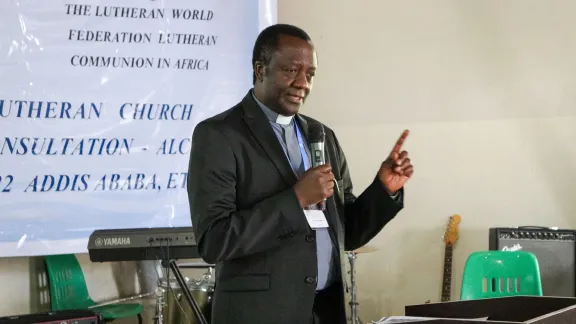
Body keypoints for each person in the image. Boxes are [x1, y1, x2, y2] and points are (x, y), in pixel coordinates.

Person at [187, 23, 414, 324]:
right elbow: (215, 241)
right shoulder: (220, 135)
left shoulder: (322, 135)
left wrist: (384, 189)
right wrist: (296, 199)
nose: (303, 83)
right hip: (260, 315)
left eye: (310, 74)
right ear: (260, 70)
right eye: (291, 70)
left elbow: (349, 232)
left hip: (325, 311)